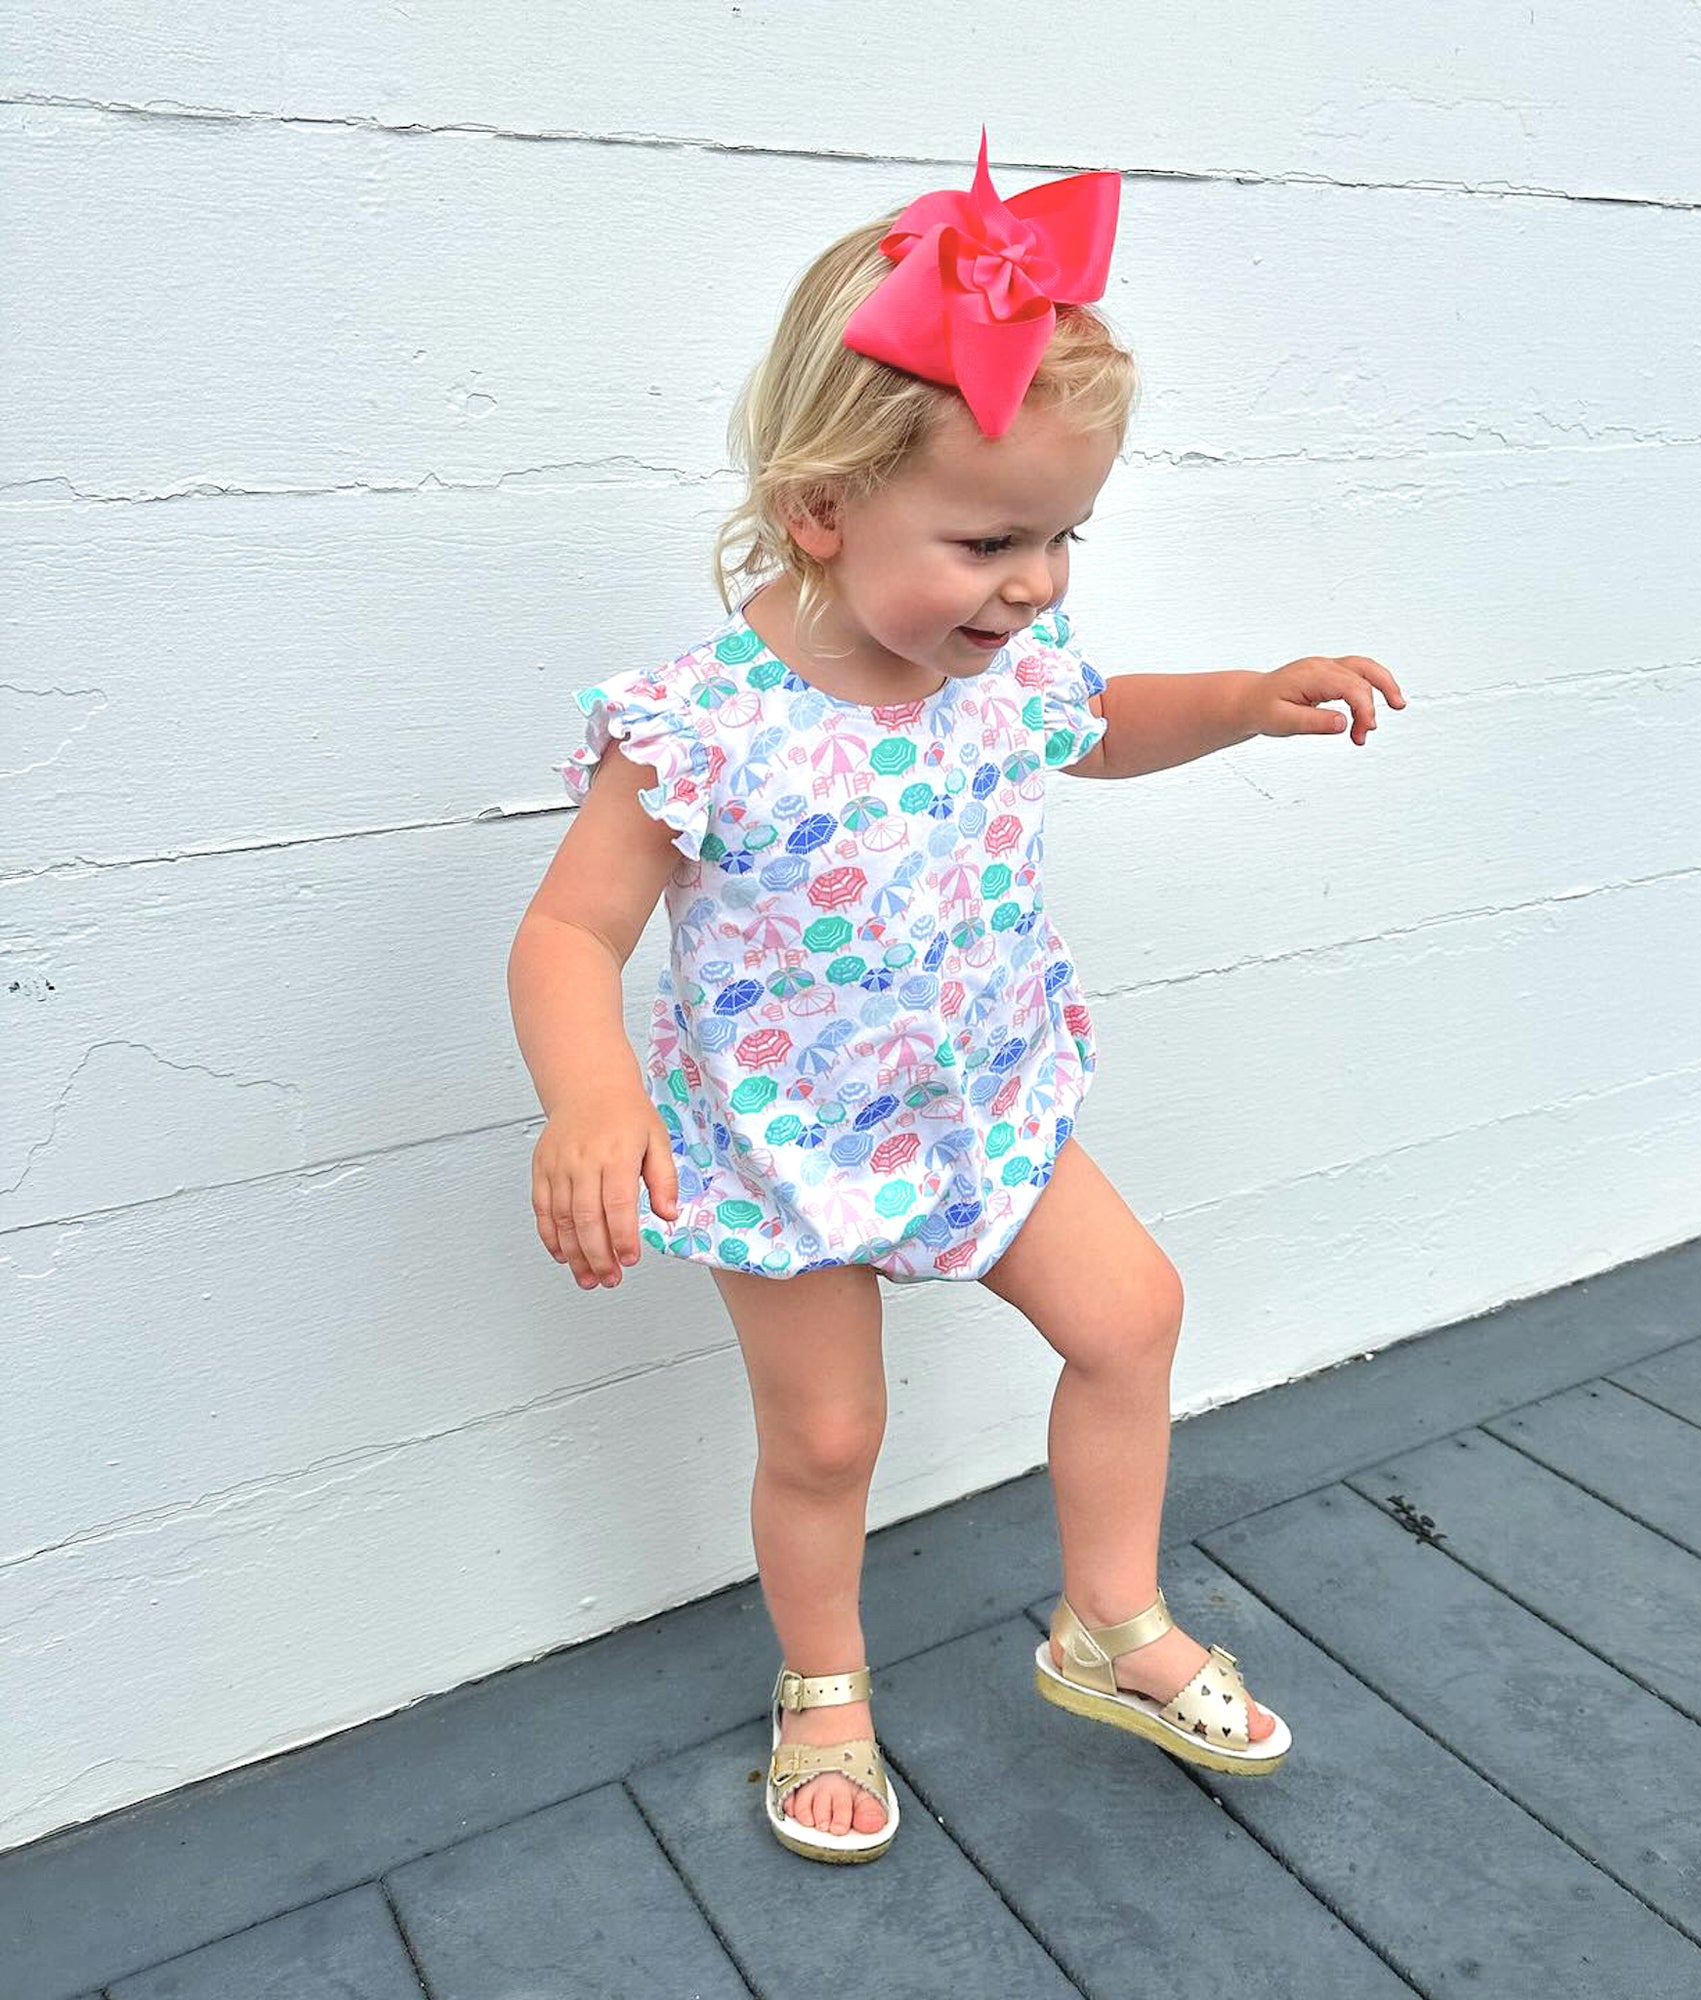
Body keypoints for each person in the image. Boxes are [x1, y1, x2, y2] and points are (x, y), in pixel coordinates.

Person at [508, 130, 1405, 1864]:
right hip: (788, 1139)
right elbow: (567, 933)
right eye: (995, 537)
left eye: (1065, 536)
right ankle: (826, 1683)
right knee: (832, 1433)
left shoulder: (1003, 666)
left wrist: (1240, 698)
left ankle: (1109, 1618)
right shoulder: (701, 725)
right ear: (820, 510)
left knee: (1131, 1316)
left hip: (985, 1103)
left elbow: (1105, 719)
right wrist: (592, 1095)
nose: (1041, 583)